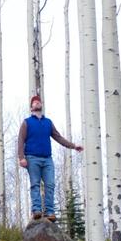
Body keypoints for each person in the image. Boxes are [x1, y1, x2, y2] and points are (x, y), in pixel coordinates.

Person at [17, 94, 83, 222]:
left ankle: (50, 211)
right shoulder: (27, 122)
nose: (37, 103)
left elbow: (58, 137)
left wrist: (74, 146)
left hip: (47, 159)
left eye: (38, 102)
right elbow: (20, 140)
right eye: (34, 102)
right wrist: (21, 157)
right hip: (32, 158)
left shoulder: (48, 123)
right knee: (35, 184)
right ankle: (36, 210)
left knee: (50, 184)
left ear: (41, 105)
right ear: (31, 107)